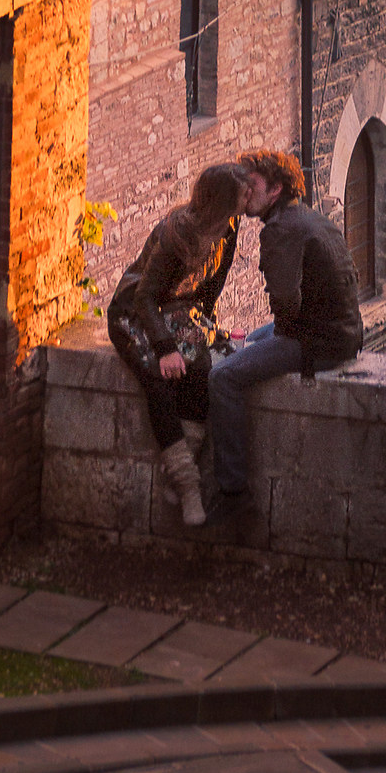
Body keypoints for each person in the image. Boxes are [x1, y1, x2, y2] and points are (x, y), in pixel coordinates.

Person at [204, 147, 364, 538]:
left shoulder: (281, 230)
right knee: (242, 341)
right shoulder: (305, 216)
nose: (246, 193)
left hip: (316, 343)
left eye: (252, 185)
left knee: (223, 378)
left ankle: (233, 493)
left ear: (275, 190)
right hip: (341, 333)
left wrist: (277, 338)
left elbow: (286, 306)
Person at [106, 163, 249, 526]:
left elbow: (211, 287)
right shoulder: (177, 237)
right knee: (158, 379)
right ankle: (187, 486)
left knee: (204, 368)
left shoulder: (229, 227)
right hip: (136, 314)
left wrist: (206, 326)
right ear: (222, 201)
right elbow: (143, 298)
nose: (250, 197)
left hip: (178, 311)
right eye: (243, 193)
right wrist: (166, 347)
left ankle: (180, 470)